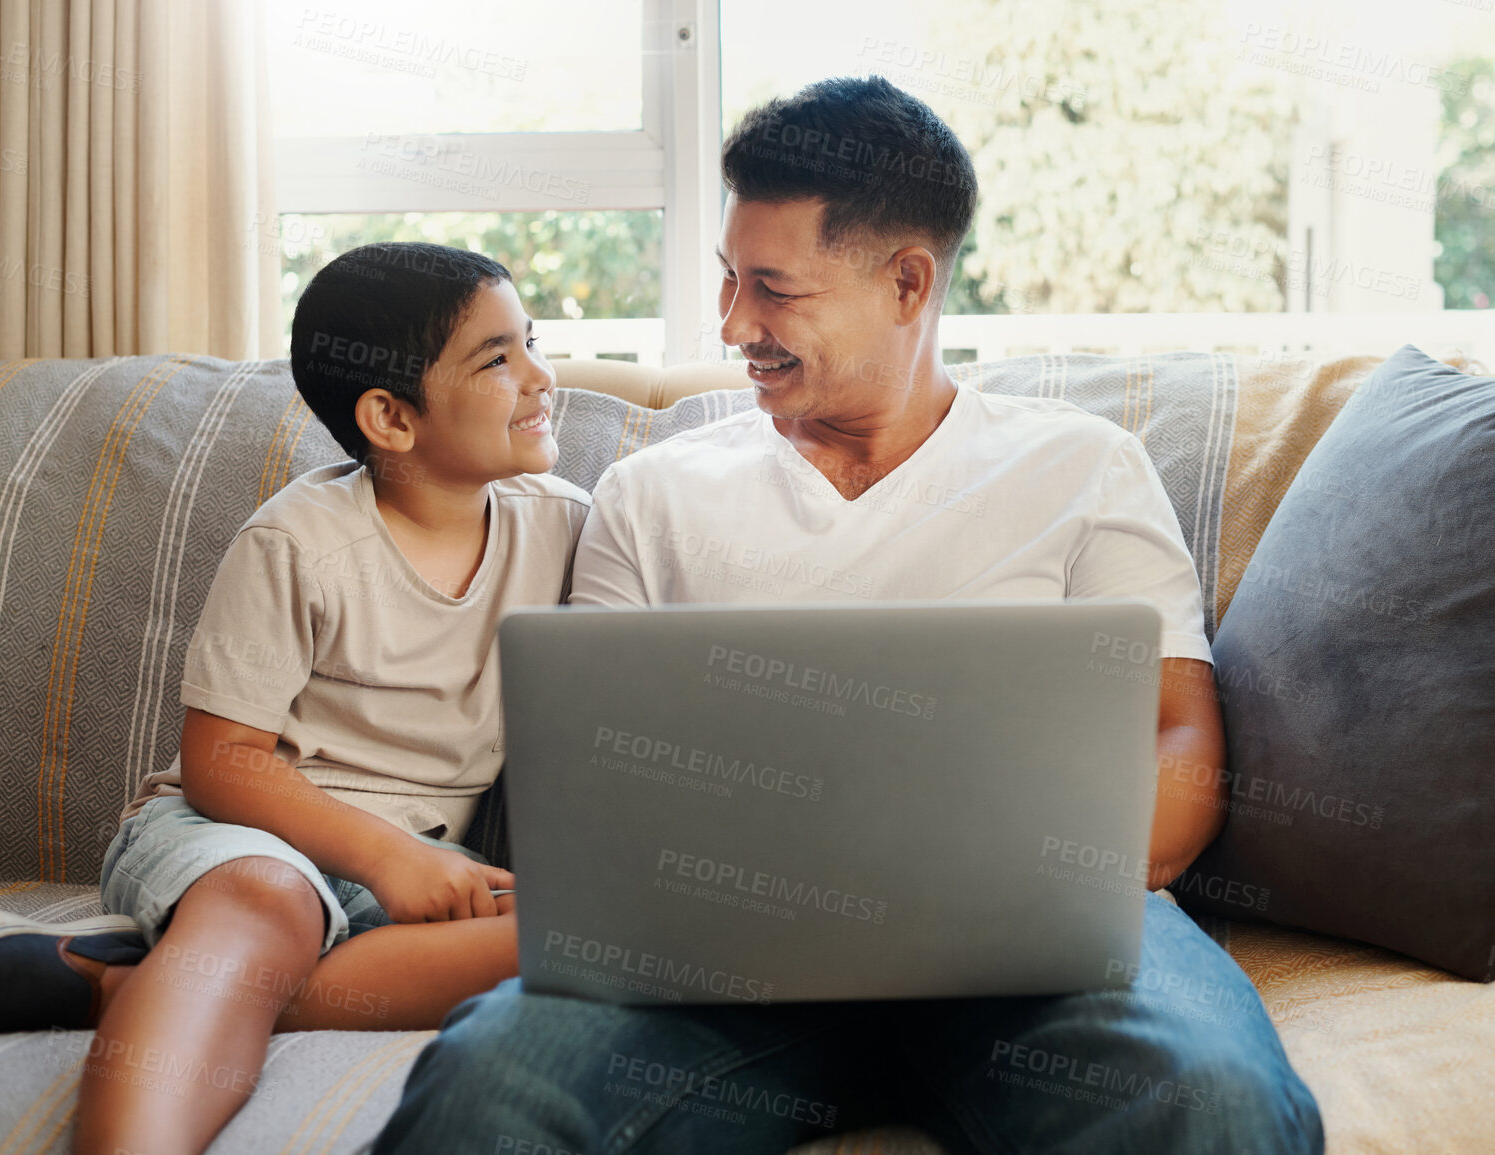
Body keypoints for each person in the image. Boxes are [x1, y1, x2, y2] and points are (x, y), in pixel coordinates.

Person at [374, 77, 1324, 1154]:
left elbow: (1180, 741)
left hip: (1037, 961)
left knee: (1217, 1107)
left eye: (773, 289)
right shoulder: (655, 493)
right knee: (485, 1091)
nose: (735, 324)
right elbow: (585, 786)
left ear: (907, 283)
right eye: (729, 281)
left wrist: (1039, 893)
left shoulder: (1081, 467)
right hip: (713, 970)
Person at [0, 242, 591, 1155]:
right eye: (498, 359)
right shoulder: (300, 540)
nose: (541, 377)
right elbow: (225, 765)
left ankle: (135, 982)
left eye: (530, 342)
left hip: (411, 869)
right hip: (246, 835)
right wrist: (387, 858)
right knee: (269, 908)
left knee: (583, 936)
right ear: (389, 416)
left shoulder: (566, 521)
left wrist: (412, 866)